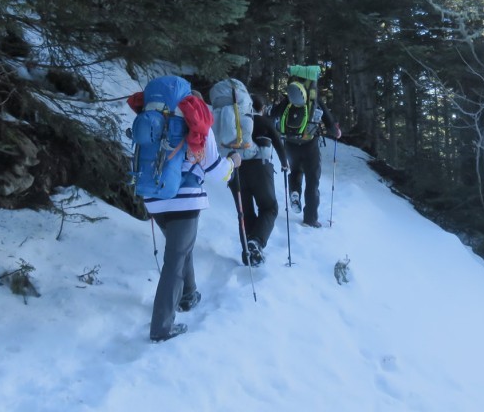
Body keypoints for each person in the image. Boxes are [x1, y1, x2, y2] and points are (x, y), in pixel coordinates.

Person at [127, 80, 241, 342]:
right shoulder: (199, 125)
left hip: (154, 198)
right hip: (185, 201)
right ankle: (161, 327)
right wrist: (233, 164)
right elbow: (215, 171)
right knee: (175, 261)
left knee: (180, 248)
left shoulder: (155, 120)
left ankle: (188, 295)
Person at [270, 79, 341, 228]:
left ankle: (295, 191)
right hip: (310, 146)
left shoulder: (287, 100)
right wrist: (336, 131)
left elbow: (273, 113)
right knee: (312, 180)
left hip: (290, 144)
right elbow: (329, 124)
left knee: (296, 170)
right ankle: (310, 218)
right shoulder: (315, 101)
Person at [229, 93, 289, 267]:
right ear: (261, 109)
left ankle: (249, 253)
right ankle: (256, 242)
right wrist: (284, 164)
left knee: (244, 213)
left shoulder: (236, 122)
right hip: (260, 170)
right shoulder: (264, 121)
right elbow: (278, 142)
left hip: (236, 171)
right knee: (269, 207)